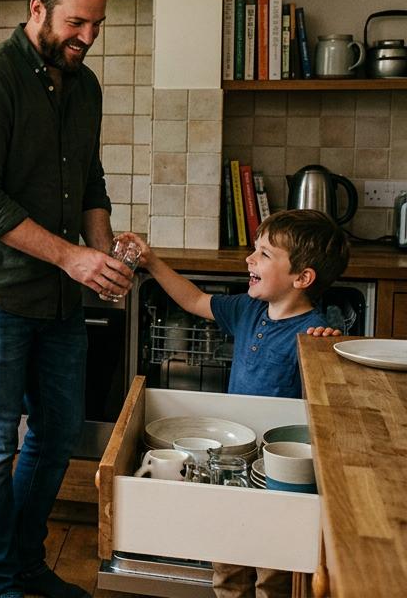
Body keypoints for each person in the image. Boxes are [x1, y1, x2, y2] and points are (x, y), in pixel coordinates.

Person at [0, 0, 127, 598]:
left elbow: (89, 179)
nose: (87, 37)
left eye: (97, 25)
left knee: (57, 437)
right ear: (38, 9)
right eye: (78, 22)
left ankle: (24, 565)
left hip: (58, 297)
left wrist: (102, 253)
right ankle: (1, 585)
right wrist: (74, 257)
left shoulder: (86, 86)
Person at [121, 210, 348, 598]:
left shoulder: (313, 333)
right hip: (231, 463)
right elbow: (193, 299)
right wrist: (152, 262)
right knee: (226, 562)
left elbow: (330, 399)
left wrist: (326, 350)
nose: (249, 259)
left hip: (280, 473)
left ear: (302, 278)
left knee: (273, 573)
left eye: (263, 254)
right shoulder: (247, 309)